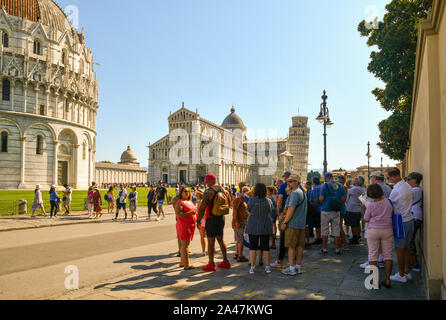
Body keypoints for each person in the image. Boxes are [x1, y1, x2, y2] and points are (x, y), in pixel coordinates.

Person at [363, 183, 394, 289]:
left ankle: (375, 281)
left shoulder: (371, 205)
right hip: (387, 230)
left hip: (373, 230)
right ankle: (387, 279)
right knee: (388, 255)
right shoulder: (388, 202)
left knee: (372, 255)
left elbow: (366, 219)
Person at [197, 174, 230, 272]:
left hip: (211, 218)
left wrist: (198, 220)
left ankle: (211, 264)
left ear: (210, 181)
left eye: (207, 182)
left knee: (211, 242)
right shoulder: (223, 190)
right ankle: (225, 261)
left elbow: (203, 207)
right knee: (221, 239)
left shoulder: (209, 192)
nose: (206, 184)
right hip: (221, 217)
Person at [387, 167, 414, 284]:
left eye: (389, 177)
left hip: (400, 221)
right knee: (406, 247)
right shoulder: (408, 186)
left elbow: (389, 204)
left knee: (399, 249)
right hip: (409, 219)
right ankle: (407, 271)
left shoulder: (396, 190)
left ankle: (401, 274)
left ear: (394, 176)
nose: (389, 179)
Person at [281, 175, 307, 276]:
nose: (289, 183)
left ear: (297, 182)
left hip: (293, 224)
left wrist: (285, 222)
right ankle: (298, 267)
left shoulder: (295, 193)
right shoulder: (302, 192)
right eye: (288, 181)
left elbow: (291, 209)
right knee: (299, 246)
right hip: (301, 224)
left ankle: (292, 268)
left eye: (291, 181)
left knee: (291, 246)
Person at [245, 183, 273, 274]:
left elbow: (248, 210)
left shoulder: (251, 200)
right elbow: (270, 211)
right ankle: (268, 267)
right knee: (265, 247)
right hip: (265, 224)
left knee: (253, 247)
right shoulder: (268, 200)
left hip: (253, 225)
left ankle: (252, 267)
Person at [319, 173, 347, 255]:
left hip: (325, 210)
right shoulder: (340, 186)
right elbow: (343, 198)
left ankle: (324, 248)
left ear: (327, 178)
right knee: (336, 230)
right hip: (336, 211)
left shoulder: (325, 185)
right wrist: (338, 204)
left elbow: (321, 198)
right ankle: (337, 249)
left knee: (324, 230)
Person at [174, 186, 198, 270]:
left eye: (188, 191)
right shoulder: (179, 202)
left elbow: (195, 212)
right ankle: (187, 265)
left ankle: (182, 262)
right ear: (181, 193)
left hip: (190, 225)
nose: (187, 193)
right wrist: (189, 213)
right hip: (184, 225)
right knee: (185, 245)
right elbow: (179, 214)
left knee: (185, 244)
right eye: (185, 191)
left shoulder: (189, 201)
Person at [271, 172, 291, 268]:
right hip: (293, 213)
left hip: (284, 212)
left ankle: (280, 258)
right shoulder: (298, 187)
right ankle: (290, 253)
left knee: (282, 236)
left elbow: (279, 200)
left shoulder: (284, 186)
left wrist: (278, 213)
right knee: (290, 234)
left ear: (285, 178)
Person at [407, 172, 423, 272]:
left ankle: (414, 263)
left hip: (414, 216)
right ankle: (412, 261)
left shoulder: (415, 190)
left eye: (409, 179)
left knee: (409, 240)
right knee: (410, 240)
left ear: (414, 180)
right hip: (415, 216)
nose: (407, 181)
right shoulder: (416, 190)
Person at [345, 177, 366, 245]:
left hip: (352, 209)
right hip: (357, 209)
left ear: (358, 182)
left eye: (356, 180)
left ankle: (354, 238)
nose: (354, 180)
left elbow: (346, 193)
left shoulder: (354, 189)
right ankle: (357, 236)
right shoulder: (362, 189)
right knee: (357, 224)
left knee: (353, 225)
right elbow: (363, 200)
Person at [232, 186, 250, 263]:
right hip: (239, 223)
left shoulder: (242, 200)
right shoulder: (238, 200)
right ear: (242, 192)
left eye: (248, 192)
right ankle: (240, 256)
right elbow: (235, 211)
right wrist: (237, 222)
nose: (246, 194)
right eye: (245, 192)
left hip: (242, 223)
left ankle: (237, 254)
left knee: (238, 239)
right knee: (240, 239)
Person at [309, 177, 323, 246]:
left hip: (317, 208)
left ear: (313, 182)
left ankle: (318, 238)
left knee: (317, 225)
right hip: (322, 208)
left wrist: (313, 208)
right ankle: (321, 237)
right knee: (320, 224)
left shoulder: (315, 188)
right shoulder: (321, 187)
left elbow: (315, 200)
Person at [337, 176, 348, 249]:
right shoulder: (344, 187)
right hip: (342, 207)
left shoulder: (343, 188)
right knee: (339, 226)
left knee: (339, 226)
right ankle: (341, 241)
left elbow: (343, 199)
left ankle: (343, 242)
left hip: (340, 207)